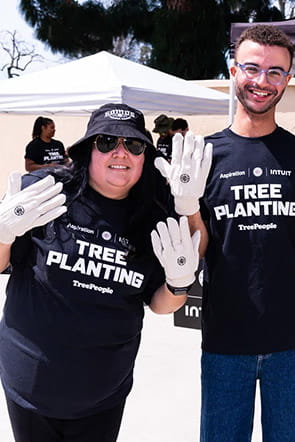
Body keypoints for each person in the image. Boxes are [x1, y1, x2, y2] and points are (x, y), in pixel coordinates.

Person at [154, 24, 295, 442]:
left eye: (275, 72)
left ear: (288, 79)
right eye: (252, 69)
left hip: (293, 341)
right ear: (233, 72)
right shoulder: (205, 156)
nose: (262, 82)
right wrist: (189, 206)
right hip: (225, 339)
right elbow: (200, 252)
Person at [0, 103, 200, 442]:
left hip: (103, 393)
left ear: (145, 158)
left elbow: (159, 304)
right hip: (32, 385)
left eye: (134, 145)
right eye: (107, 141)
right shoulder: (45, 193)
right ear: (88, 149)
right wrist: (3, 232)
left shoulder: (157, 215)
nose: (120, 153)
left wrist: (179, 285)